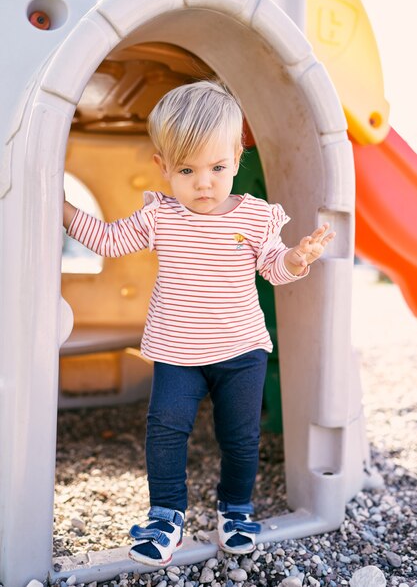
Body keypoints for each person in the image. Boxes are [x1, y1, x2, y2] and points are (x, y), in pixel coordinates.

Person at [63, 80, 335, 567]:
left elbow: (273, 267)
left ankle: (235, 508)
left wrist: (297, 257)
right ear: (163, 167)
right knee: (165, 429)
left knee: (240, 436)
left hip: (241, 350)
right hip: (177, 351)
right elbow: (106, 240)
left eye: (217, 167)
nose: (203, 183)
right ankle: (166, 514)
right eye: (186, 170)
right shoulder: (160, 216)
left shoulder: (254, 218)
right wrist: (59, 208)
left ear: (236, 157)